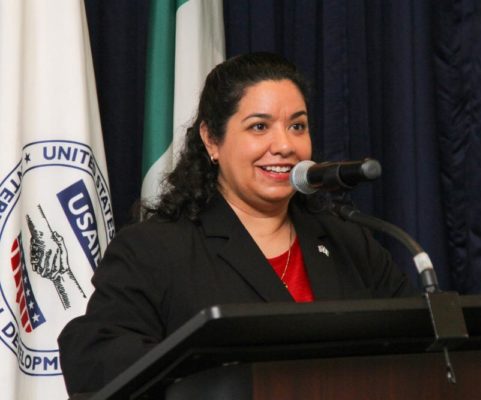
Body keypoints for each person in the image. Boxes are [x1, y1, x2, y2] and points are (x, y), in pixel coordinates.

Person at [58, 52, 417, 396]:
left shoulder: (347, 240)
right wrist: (210, 370)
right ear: (212, 140)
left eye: (297, 126)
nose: (284, 145)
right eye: (259, 127)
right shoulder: (153, 249)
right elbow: (93, 359)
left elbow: (421, 345)